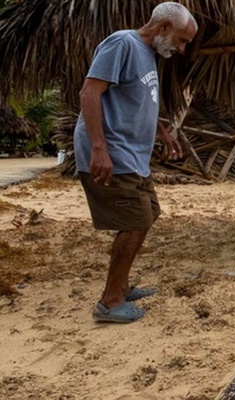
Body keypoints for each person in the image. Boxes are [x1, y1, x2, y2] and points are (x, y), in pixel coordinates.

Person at [75, 2, 198, 323]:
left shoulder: (149, 57)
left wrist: (164, 134)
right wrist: (99, 149)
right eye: (182, 40)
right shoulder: (123, 43)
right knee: (135, 222)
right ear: (164, 28)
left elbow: (139, 102)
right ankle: (110, 301)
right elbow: (89, 93)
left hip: (133, 155)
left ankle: (122, 286)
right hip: (113, 153)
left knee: (148, 214)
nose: (182, 49)